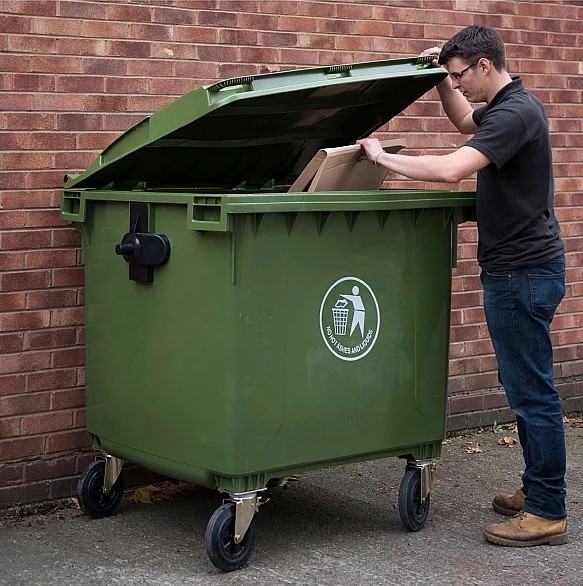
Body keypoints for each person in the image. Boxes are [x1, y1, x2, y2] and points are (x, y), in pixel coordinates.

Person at [357, 25, 567, 547]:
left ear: (485, 65)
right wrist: (438, 81)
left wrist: (384, 158)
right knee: (526, 389)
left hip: (522, 273)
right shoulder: (506, 108)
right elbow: (463, 122)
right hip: (521, 269)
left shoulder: (516, 114)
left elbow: (452, 168)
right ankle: (538, 487)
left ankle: (546, 509)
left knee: (531, 393)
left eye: (460, 75)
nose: (459, 85)